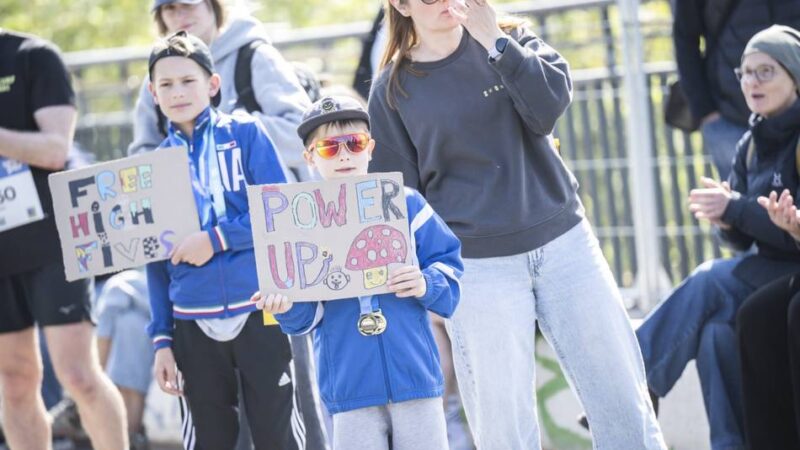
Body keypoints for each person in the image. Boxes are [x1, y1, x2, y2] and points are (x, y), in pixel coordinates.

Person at [367, 1, 665, 448]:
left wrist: (498, 43)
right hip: (476, 266)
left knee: (622, 400)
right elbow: (401, 203)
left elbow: (548, 109)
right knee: (502, 424)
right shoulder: (392, 90)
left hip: (565, 243)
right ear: (402, 5)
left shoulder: (513, 39)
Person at [251, 94, 463, 450]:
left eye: (355, 143)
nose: (345, 154)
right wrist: (285, 307)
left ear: (371, 148)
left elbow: (451, 269)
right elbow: (306, 318)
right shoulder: (298, 226)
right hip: (349, 389)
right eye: (330, 148)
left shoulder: (407, 204)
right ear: (310, 157)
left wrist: (426, 282)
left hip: (415, 377)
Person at [637, 24, 800, 450]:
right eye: (745, 72)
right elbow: (743, 242)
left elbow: (789, 233)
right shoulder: (750, 141)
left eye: (766, 71)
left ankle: (634, 382)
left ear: (795, 77)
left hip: (792, 271)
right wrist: (727, 221)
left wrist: (737, 209)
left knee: (711, 278)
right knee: (714, 335)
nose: (752, 82)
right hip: (764, 273)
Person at [144, 31, 304, 449]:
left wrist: (215, 239)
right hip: (191, 321)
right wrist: (162, 340)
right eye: (166, 84)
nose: (177, 92)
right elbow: (154, 261)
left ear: (212, 85)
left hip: (260, 308)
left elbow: (279, 212)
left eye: (187, 81)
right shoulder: (155, 166)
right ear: (152, 92)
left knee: (278, 435)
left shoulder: (247, 134)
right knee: (209, 440)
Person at [0, 29, 129, 449]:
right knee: (14, 380)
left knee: (77, 376)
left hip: (50, 240)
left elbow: (56, 149)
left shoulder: (33, 56)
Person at [129, 0, 311, 181]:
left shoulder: (255, 56)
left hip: (266, 197)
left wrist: (232, 131)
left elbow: (305, 137)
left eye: (188, 4)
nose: (180, 15)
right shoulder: (158, 78)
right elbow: (143, 157)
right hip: (191, 203)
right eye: (169, 8)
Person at [672, 0, 800, 180]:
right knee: (741, 202)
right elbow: (685, 35)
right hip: (729, 118)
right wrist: (706, 111)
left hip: (794, 115)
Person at [95, 269, 153, 449]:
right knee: (132, 324)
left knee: (115, 288)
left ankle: (94, 381)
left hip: (167, 280)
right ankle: (130, 438)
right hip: (142, 298)